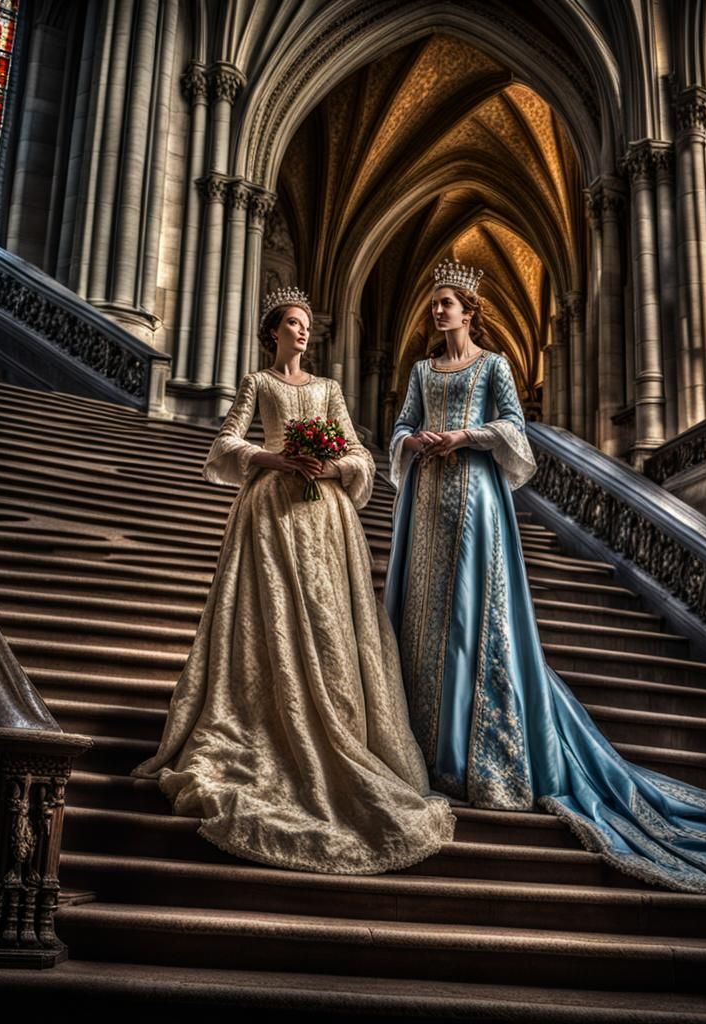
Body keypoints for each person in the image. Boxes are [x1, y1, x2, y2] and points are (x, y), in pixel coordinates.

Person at [383, 258, 706, 894]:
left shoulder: (494, 366)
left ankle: (467, 756)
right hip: (427, 499)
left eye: (448, 302)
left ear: (469, 311)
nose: (438, 310)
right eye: (435, 302)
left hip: (477, 500)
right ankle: (419, 746)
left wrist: (464, 436)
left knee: (469, 619)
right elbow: (402, 425)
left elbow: (516, 429)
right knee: (423, 616)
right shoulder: (421, 371)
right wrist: (414, 442)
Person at [134, 286, 455, 874]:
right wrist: (275, 458)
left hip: (325, 517)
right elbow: (226, 441)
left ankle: (339, 726)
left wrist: (330, 466)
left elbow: (360, 455)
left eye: (306, 324)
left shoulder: (329, 389)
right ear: (273, 332)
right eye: (292, 323)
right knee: (268, 618)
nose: (302, 331)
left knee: (330, 625)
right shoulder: (258, 383)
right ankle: (266, 725)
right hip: (269, 512)